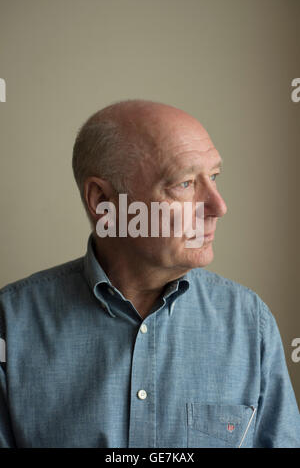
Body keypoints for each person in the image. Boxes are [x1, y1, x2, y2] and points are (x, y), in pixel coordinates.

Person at [0, 100, 299, 448]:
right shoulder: (11, 325)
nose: (218, 206)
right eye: (185, 183)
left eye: (213, 177)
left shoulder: (250, 323)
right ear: (104, 203)